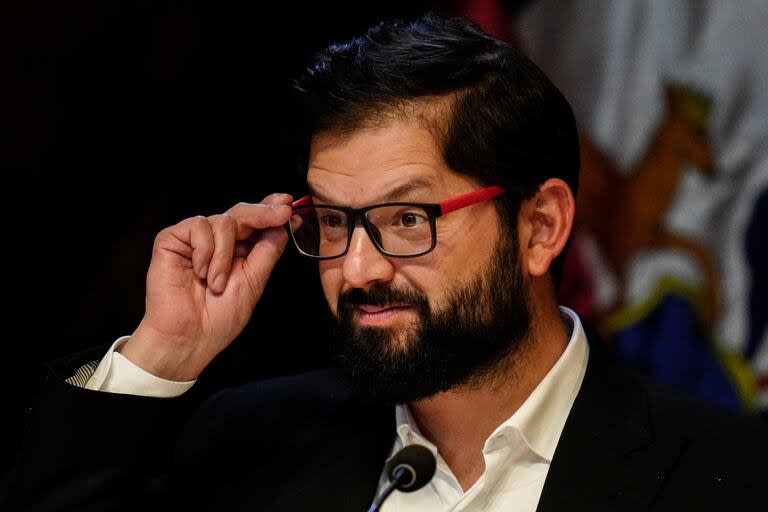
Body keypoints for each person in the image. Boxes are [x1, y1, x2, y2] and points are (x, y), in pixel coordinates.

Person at [3, 14, 765, 512]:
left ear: (541, 227)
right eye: (334, 222)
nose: (358, 269)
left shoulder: (723, 475)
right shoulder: (251, 441)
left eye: (407, 220)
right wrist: (162, 354)